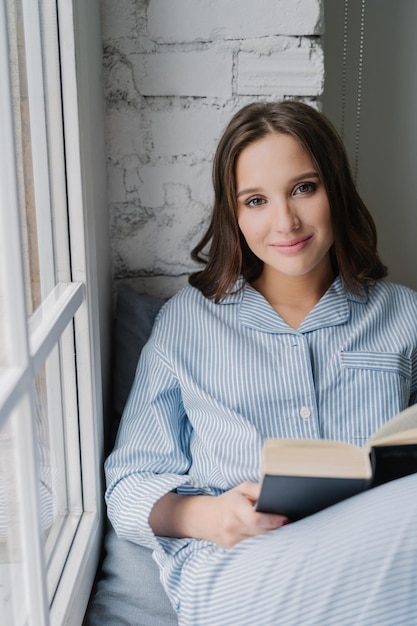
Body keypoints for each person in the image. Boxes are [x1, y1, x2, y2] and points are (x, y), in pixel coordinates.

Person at [105, 101, 417, 625]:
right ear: (234, 214)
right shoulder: (188, 321)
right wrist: (206, 514)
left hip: (380, 557)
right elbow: (128, 484)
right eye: (255, 200)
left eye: (303, 188)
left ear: (334, 190)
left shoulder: (403, 314)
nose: (285, 221)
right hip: (239, 571)